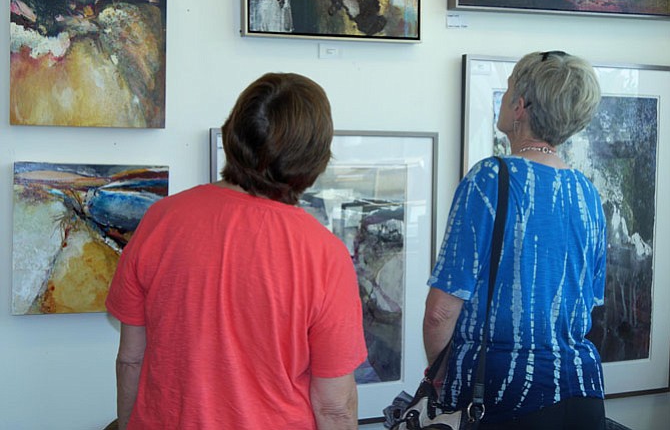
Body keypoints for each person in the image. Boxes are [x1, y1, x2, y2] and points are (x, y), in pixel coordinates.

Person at [106, 73, 367, 429]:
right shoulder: (325, 256)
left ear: (234, 132)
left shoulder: (161, 220)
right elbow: (335, 407)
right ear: (313, 157)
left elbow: (130, 360)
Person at [423, 51, 607, 429]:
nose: (504, 99)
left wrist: (440, 376)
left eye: (507, 90)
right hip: (583, 396)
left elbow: (441, 310)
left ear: (519, 107)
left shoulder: (490, 178)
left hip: (504, 396)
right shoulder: (588, 193)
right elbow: (590, 304)